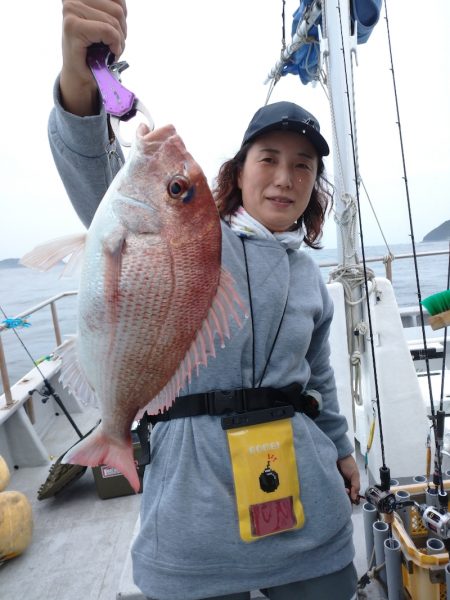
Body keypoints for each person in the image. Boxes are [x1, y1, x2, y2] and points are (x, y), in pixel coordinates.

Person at [51, 2, 361, 599]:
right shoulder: (192, 241)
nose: (285, 177)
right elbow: (100, 183)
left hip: (306, 505)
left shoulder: (310, 277)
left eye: (303, 166)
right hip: (192, 514)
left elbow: (318, 375)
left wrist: (344, 453)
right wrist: (79, 85)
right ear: (238, 172)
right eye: (267, 159)